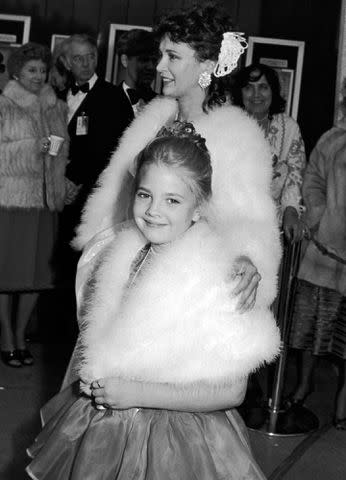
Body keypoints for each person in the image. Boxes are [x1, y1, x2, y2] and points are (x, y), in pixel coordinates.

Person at [27, 122, 280, 479]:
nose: (153, 211)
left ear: (199, 207)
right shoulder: (126, 254)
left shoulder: (219, 276)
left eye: (172, 200)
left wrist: (136, 393)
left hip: (179, 438)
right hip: (110, 426)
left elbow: (233, 390)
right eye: (145, 194)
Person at [61, 3, 281, 390]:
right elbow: (121, 195)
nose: (159, 66)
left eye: (173, 56)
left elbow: (250, 220)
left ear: (208, 65)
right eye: (160, 54)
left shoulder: (235, 135)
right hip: (125, 273)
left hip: (175, 294)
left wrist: (247, 256)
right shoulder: (154, 115)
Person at [0, 42, 72, 367]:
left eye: (42, 69)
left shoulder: (55, 106)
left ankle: (21, 334)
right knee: (6, 273)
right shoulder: (4, 104)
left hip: (45, 201)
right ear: (16, 71)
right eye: (31, 69)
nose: (38, 75)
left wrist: (60, 174)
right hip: (11, 201)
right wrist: (33, 148)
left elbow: (61, 152)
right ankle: (6, 337)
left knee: (36, 274)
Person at [57, 34, 134, 282]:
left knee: (81, 270)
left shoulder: (113, 97)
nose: (86, 63)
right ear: (67, 63)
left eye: (91, 56)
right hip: (56, 197)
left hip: (91, 197)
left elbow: (111, 150)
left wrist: (74, 180)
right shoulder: (56, 96)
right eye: (78, 58)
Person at [287, 122, 346, 430]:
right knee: (311, 327)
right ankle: (304, 383)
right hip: (325, 253)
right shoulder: (333, 139)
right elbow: (312, 180)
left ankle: (343, 401)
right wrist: (321, 216)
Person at [231, 63, 306, 242]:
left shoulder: (289, 128)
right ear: (240, 93)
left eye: (263, 87)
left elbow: (295, 172)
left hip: (273, 226)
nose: (256, 95)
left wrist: (291, 210)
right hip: (231, 221)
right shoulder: (229, 124)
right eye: (249, 88)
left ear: (273, 91)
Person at [116, 28, 158, 118]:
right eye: (143, 60)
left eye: (154, 61)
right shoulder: (104, 101)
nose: (151, 67)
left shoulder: (163, 105)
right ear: (125, 60)